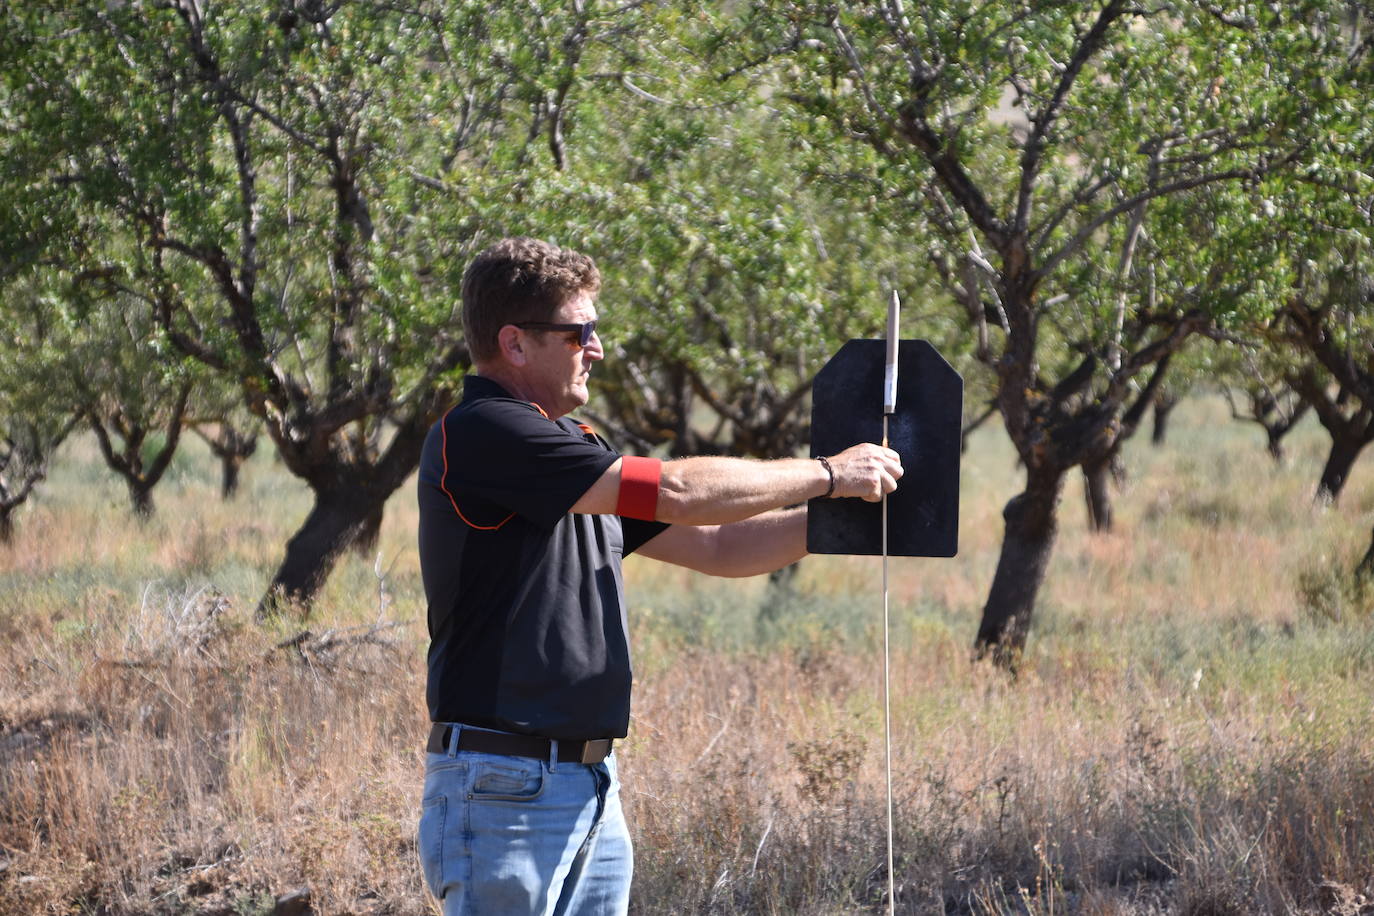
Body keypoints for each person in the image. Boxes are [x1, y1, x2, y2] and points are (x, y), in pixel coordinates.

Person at [415, 236, 902, 915]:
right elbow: (676, 491)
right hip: (507, 786)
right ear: (516, 344)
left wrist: (846, 517)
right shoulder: (485, 432)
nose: (598, 347)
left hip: (584, 782)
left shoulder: (569, 453)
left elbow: (720, 547)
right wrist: (829, 473)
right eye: (579, 331)